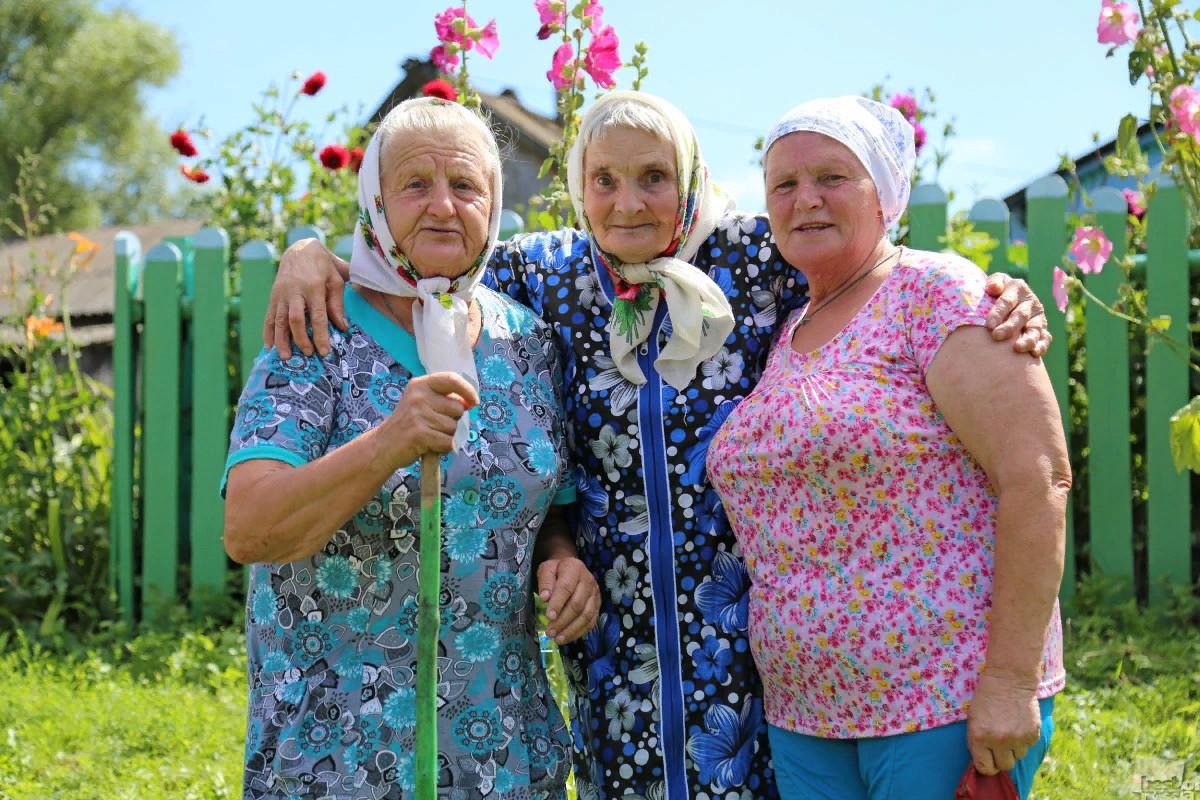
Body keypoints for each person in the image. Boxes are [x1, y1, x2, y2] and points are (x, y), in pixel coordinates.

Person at [261, 91, 1052, 800]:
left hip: (747, 652)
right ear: (578, 186)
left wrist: (995, 298)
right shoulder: (545, 274)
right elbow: (424, 257)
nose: (628, 202)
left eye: (654, 176)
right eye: (603, 179)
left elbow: (862, 260)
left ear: (691, 178)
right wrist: (311, 257)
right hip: (615, 647)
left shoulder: (754, 260)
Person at [222, 97, 599, 800]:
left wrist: (561, 558)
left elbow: (543, 503)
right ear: (375, 200)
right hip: (340, 752)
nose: (443, 208)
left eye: (466, 187)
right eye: (415, 186)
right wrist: (387, 443)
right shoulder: (317, 330)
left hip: (501, 749)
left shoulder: (527, 340)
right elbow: (249, 528)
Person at [707, 96, 1069, 800]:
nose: (805, 198)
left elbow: (1039, 478)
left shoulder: (935, 293)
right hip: (806, 712)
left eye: (833, 177)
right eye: (784, 183)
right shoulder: (783, 328)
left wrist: (1011, 681)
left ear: (885, 194)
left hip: (942, 701)